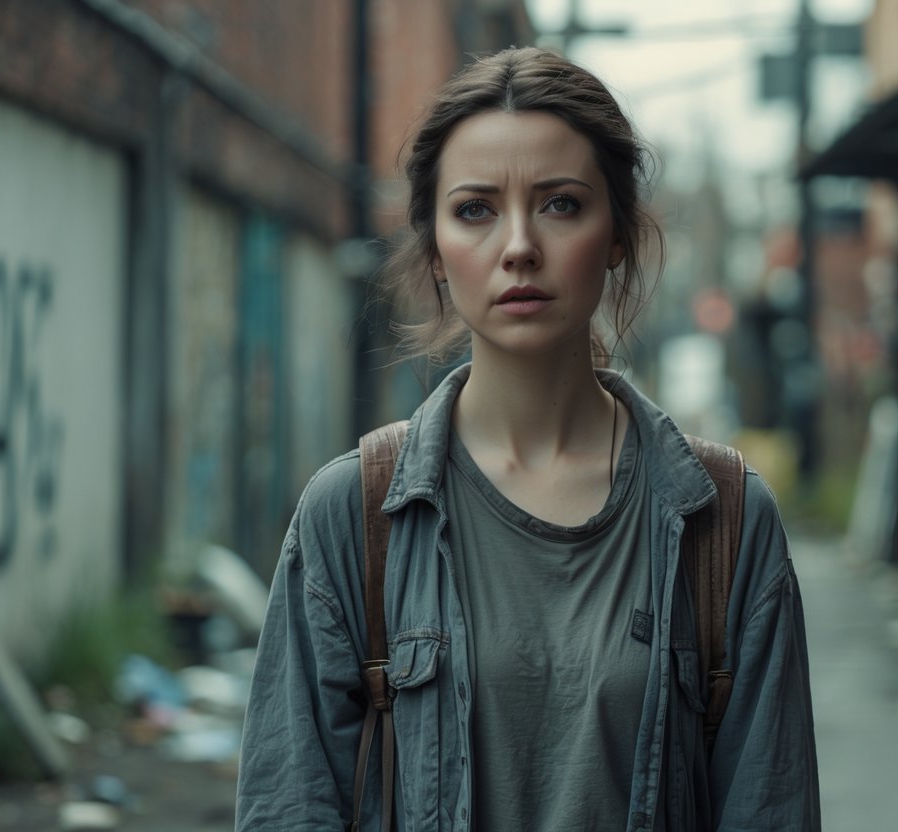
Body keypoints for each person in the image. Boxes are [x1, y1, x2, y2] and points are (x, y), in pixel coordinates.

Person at [236, 46, 819, 832]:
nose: (517, 246)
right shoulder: (353, 515)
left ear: (616, 234)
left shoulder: (725, 524)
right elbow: (289, 807)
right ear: (436, 251)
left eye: (560, 204)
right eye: (475, 209)